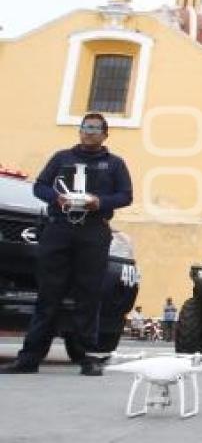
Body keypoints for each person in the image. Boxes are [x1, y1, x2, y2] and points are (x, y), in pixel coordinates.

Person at [1, 113, 132, 376]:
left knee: (89, 295)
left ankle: (88, 358)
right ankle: (30, 358)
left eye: (96, 128)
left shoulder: (115, 164)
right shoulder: (62, 158)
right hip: (59, 230)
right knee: (49, 294)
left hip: (93, 231)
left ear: (105, 134)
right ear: (80, 131)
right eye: (86, 127)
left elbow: (125, 196)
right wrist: (56, 198)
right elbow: (39, 187)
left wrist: (100, 202)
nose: (90, 132)